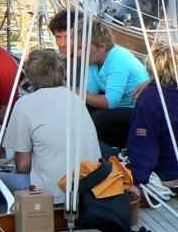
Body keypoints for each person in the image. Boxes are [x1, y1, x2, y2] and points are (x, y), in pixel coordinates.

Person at [0, 49, 101, 205]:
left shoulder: (24, 105)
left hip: (50, 193)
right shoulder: (75, 98)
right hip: (86, 187)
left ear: (30, 77)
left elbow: (23, 165)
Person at [48, 12, 150, 149]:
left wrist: (72, 89)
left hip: (138, 111)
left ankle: (117, 152)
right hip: (121, 108)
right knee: (78, 110)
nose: (78, 53)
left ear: (102, 47)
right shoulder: (92, 61)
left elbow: (111, 102)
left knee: (99, 119)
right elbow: (89, 94)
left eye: (81, 48)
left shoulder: (118, 59)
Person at [126, 41, 178, 202]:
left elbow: (144, 146)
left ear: (150, 68)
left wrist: (134, 180)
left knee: (106, 151)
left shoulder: (150, 98)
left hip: (167, 179)